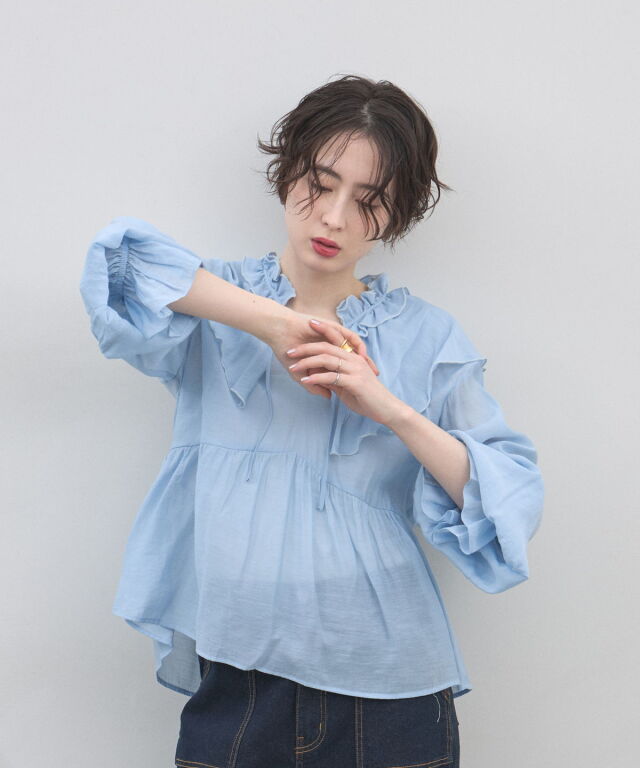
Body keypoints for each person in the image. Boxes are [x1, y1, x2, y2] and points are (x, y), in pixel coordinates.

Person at [79, 74, 544, 768]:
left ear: (397, 215)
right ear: (288, 171)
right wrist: (273, 324)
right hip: (237, 682)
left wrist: (387, 407)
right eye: (320, 184)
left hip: (389, 690)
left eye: (369, 201)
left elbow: (510, 503)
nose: (333, 217)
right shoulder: (217, 303)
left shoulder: (426, 336)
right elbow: (117, 262)